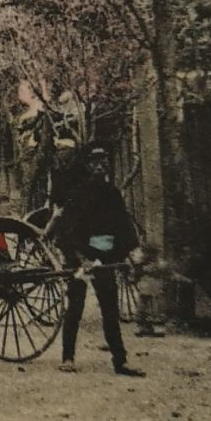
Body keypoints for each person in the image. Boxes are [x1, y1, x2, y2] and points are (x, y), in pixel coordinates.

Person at [48, 142, 145, 377]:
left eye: (103, 161)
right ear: (87, 165)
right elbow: (69, 231)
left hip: (103, 255)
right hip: (77, 255)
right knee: (76, 306)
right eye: (94, 162)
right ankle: (68, 356)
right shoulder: (77, 193)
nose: (100, 166)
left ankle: (120, 361)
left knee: (110, 308)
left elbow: (123, 225)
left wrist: (133, 251)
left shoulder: (112, 193)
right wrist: (83, 259)